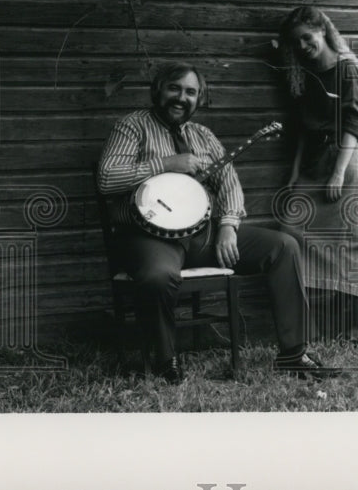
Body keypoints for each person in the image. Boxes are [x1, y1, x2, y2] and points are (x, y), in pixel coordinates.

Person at [98, 61, 339, 382]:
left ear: (199, 99)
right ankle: (166, 360)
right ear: (158, 91)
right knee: (157, 276)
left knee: (284, 246)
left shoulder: (203, 136)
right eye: (174, 89)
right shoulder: (132, 126)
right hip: (150, 237)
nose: (181, 98)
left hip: (204, 234)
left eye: (191, 92)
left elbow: (229, 184)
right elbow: (106, 178)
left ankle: (293, 354)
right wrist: (168, 163)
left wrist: (228, 226)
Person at [276, 6, 358, 343]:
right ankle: (306, 324)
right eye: (296, 42)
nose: (303, 46)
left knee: (349, 241)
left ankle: (354, 329)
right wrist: (295, 171)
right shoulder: (304, 73)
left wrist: (338, 173)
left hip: (343, 161)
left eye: (307, 37)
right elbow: (302, 129)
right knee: (290, 230)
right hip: (314, 163)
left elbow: (355, 123)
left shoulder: (346, 70)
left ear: (323, 31)